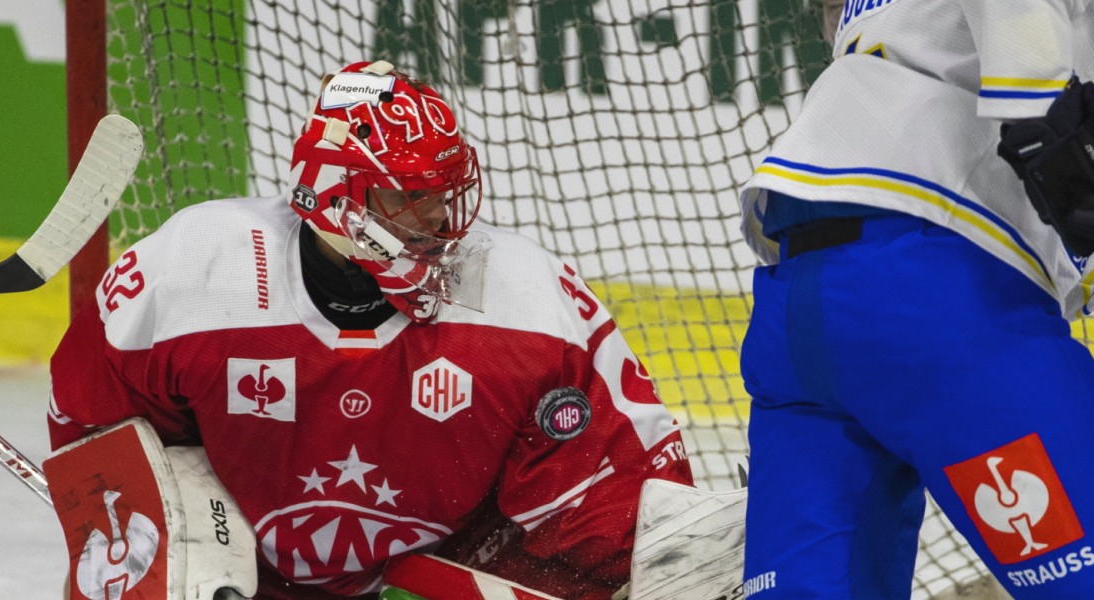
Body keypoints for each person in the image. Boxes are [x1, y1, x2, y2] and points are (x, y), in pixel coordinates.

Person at [46, 60, 694, 600]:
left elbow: (608, 499)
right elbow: (93, 433)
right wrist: (143, 544)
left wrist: (665, 564)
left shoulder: (525, 301)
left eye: (441, 191)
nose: (439, 216)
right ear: (334, 196)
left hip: (443, 570)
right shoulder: (190, 270)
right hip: (244, 570)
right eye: (408, 197)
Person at [734, 1, 1094, 599]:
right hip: (935, 303)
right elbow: (1031, 119)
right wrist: (1058, 138)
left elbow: (1036, 188)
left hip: (796, 315)